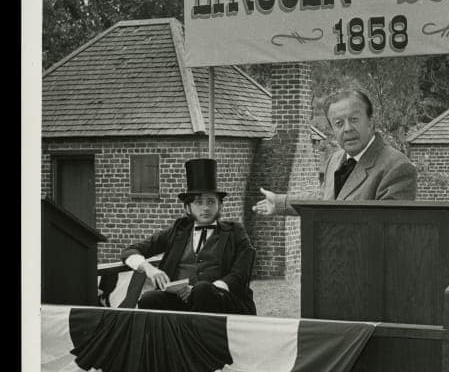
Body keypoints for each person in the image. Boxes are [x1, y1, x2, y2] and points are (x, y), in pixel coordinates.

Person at [121, 158, 256, 314]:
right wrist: (149, 269)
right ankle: (168, 338)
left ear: (220, 205)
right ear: (187, 207)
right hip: (181, 299)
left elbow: (240, 274)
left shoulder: (235, 232)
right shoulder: (178, 230)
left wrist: (203, 289)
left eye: (211, 201)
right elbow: (129, 251)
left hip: (221, 300)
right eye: (199, 202)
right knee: (149, 299)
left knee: (202, 290)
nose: (205, 208)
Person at [252, 88, 417, 215]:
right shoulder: (335, 159)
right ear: (332, 129)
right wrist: (280, 202)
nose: (347, 129)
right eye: (339, 123)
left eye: (354, 120)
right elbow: (326, 199)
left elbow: (389, 227)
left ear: (371, 122)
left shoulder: (397, 167)